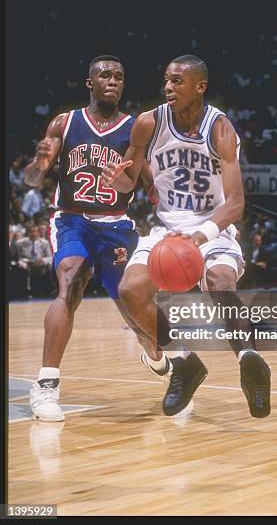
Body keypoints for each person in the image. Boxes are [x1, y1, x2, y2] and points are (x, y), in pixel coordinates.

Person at [102, 54, 271, 418]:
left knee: (220, 283)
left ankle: (249, 360)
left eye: (177, 81)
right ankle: (184, 363)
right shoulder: (149, 123)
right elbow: (130, 181)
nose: (168, 87)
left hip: (213, 225)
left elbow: (236, 204)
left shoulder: (220, 129)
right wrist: (119, 183)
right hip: (166, 228)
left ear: (200, 86)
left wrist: (200, 235)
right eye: (166, 80)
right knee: (130, 291)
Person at [24, 55, 155, 421]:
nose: (112, 81)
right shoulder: (65, 123)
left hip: (116, 224)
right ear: (90, 83)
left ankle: (160, 358)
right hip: (73, 220)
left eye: (119, 76)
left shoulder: (135, 129)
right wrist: (38, 163)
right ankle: (46, 385)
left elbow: (151, 185)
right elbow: (34, 178)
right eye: (105, 75)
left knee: (132, 305)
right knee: (71, 279)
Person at [15, 224, 52, 297]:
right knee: (21, 268)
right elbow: (19, 258)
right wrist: (25, 262)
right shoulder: (21, 243)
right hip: (27, 264)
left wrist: (43, 260)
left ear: (39, 233)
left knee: (49, 267)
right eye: (32, 231)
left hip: (40, 264)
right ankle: (26, 293)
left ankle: (47, 292)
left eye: (36, 231)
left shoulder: (44, 243)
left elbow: (50, 257)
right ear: (28, 233)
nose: (34, 233)